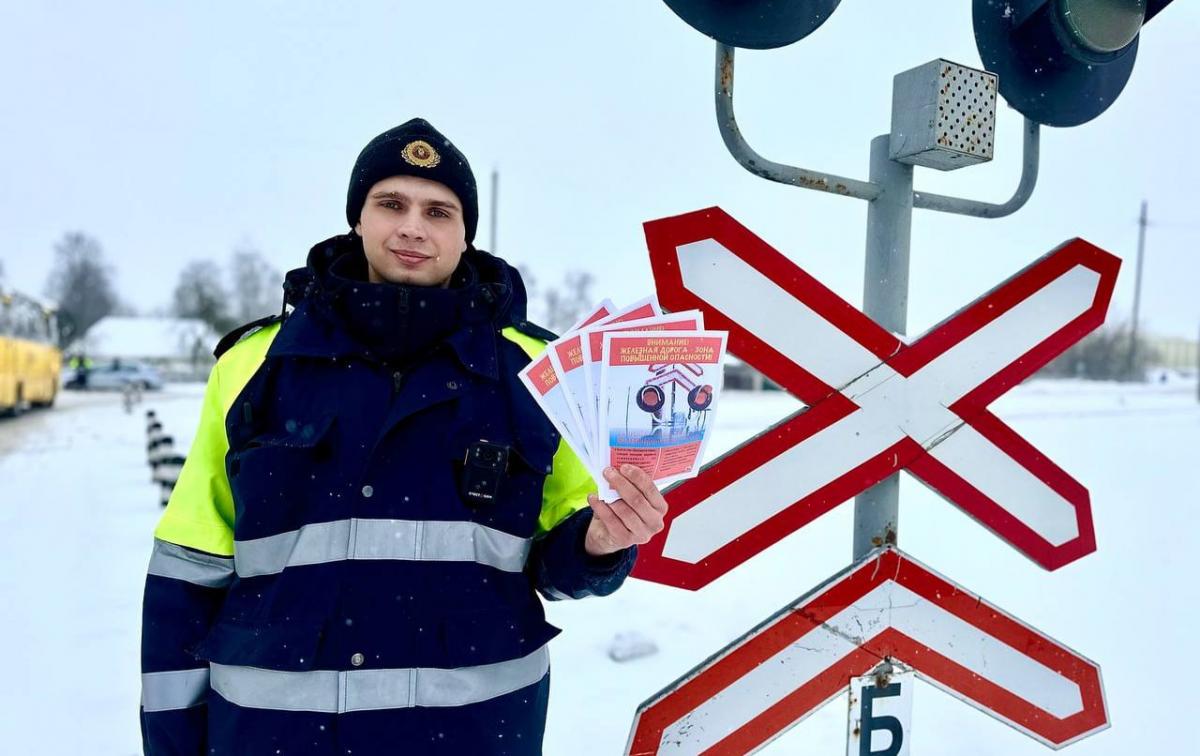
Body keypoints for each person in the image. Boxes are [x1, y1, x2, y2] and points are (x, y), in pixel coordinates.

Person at [138, 118, 668, 755]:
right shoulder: (254, 364)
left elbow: (559, 559)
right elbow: (189, 570)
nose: (414, 226)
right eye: (391, 204)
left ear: (465, 232)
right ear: (357, 218)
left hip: (470, 735)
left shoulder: (536, 372)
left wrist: (600, 543)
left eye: (439, 211)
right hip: (273, 736)